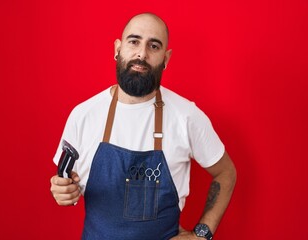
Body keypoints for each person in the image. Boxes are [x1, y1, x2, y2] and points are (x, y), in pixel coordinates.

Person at [50, 13, 236, 240]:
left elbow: (226, 173)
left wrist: (201, 234)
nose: (142, 53)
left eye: (154, 46)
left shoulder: (187, 116)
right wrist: (62, 191)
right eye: (134, 41)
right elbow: (65, 185)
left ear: (166, 58)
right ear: (117, 49)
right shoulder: (83, 115)